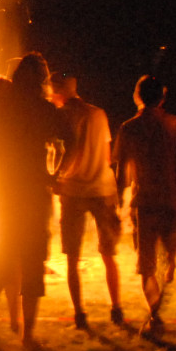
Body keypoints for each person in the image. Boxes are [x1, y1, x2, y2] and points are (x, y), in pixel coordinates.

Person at [0, 52, 69, 347]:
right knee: (31, 261)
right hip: (31, 194)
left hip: (2, 193)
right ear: (41, 80)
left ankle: (0, 320)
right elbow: (71, 140)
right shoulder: (43, 109)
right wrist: (54, 174)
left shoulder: (0, 106)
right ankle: (26, 332)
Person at [113, 74, 176, 341]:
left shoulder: (129, 128)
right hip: (172, 201)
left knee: (146, 265)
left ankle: (155, 315)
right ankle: (169, 271)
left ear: (137, 96)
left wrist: (119, 203)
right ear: (163, 98)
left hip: (145, 203)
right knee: (167, 258)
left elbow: (121, 172)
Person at [49, 71, 123, 330]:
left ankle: (80, 314)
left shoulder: (63, 115)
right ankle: (117, 308)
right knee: (109, 253)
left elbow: (70, 150)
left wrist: (55, 177)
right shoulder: (98, 113)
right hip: (102, 190)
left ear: (58, 91)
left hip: (74, 192)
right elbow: (106, 156)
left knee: (72, 258)